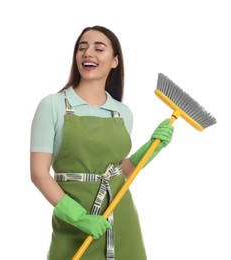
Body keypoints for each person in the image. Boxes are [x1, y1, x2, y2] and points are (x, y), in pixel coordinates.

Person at [30, 25, 174, 260]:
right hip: (73, 225)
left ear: (115, 60)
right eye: (82, 48)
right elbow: (38, 173)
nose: (88, 54)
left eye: (99, 48)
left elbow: (117, 173)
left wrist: (148, 150)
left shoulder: (122, 113)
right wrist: (77, 217)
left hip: (121, 217)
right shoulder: (52, 106)